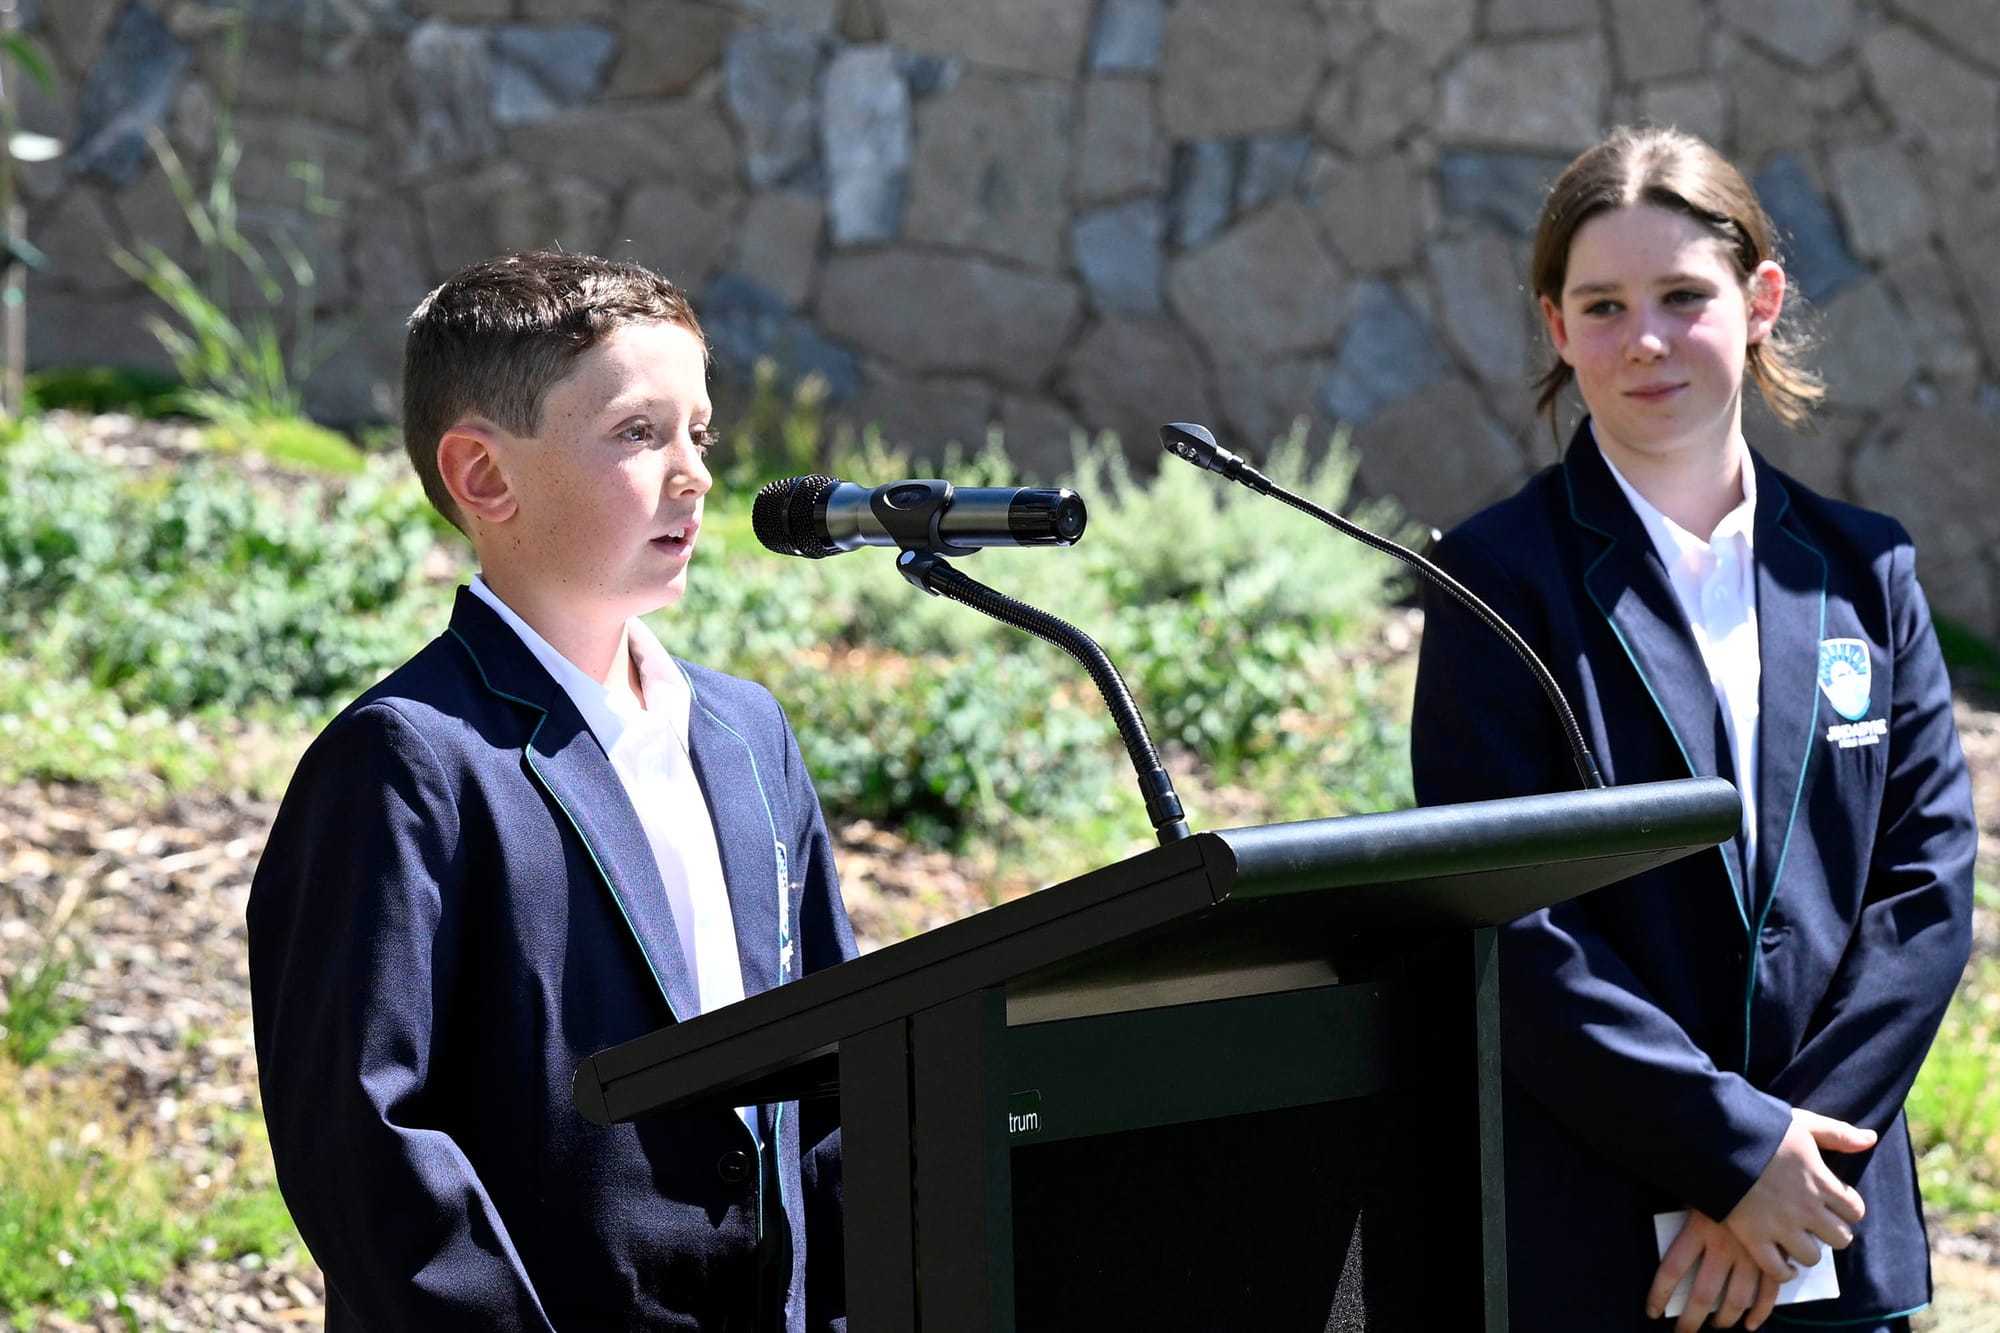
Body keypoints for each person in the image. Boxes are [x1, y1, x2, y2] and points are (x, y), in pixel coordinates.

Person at [1410, 127, 1975, 1332]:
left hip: (1829, 1231)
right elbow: (1510, 923)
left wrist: (1786, 1163)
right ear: (1556, 329)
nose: (1645, 340)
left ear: (1759, 300)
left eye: (1681, 295)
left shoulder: (1865, 572)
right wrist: (1726, 1149)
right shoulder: (1492, 581)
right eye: (1602, 306)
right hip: (1602, 1250)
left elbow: (1921, 896)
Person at [248, 251, 858, 1332]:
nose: (695, 472)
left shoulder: (745, 732)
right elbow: (361, 1143)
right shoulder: (406, 761)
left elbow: (835, 1066)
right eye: (638, 432)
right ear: (484, 476)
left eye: (698, 431)